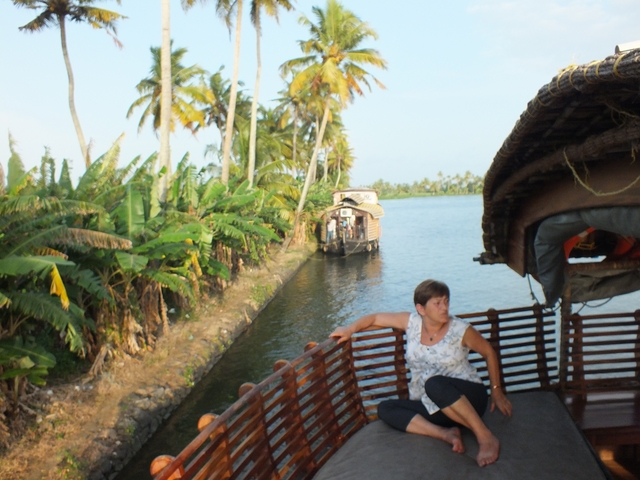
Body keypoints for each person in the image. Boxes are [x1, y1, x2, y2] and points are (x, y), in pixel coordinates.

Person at [329, 279, 512, 467]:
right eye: (438, 303)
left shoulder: (461, 329)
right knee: (385, 408)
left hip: (469, 398)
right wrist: (349, 329)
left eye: (446, 301)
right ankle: (446, 434)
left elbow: (489, 352)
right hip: (433, 404)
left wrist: (496, 391)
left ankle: (485, 436)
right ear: (421, 309)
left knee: (434, 384)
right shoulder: (412, 323)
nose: (444, 308)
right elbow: (375, 318)